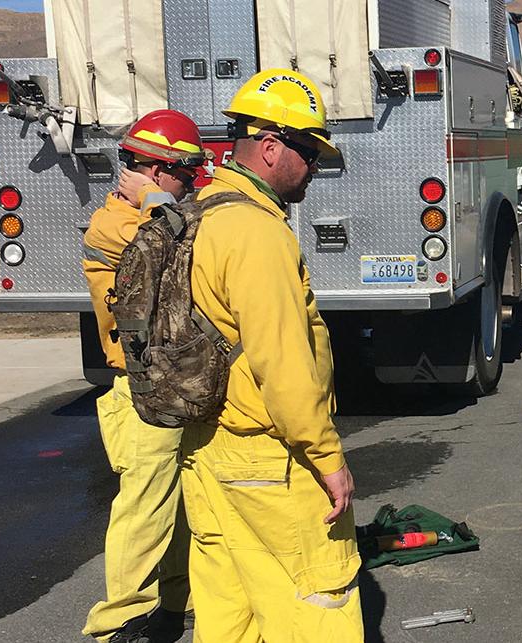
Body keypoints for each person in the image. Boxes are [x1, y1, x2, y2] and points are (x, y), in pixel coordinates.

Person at [178, 68, 364, 641]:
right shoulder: (256, 233)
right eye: (308, 151)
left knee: (230, 608)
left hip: (205, 450)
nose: (314, 166)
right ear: (269, 147)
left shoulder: (199, 212)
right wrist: (327, 458)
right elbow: (282, 363)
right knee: (318, 600)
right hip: (267, 458)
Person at [81, 109, 203, 643]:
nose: (191, 185)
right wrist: (160, 205)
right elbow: (179, 250)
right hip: (140, 385)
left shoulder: (153, 213)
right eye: (184, 174)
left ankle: (179, 600)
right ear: (155, 174)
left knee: (177, 499)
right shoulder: (116, 225)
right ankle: (120, 620)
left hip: (169, 379)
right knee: (146, 503)